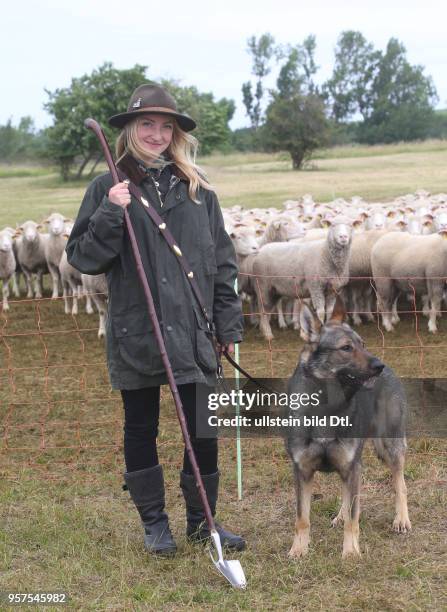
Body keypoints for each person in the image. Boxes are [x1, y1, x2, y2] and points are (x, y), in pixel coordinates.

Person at [66, 83, 245, 556]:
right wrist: (110, 211)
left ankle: (203, 523)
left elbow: (222, 262)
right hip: (137, 329)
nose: (157, 134)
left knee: (202, 428)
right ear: (129, 129)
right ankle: (155, 525)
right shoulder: (108, 186)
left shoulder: (198, 188)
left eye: (166, 127)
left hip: (194, 330)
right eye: (147, 124)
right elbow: (83, 257)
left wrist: (227, 327)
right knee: (141, 427)